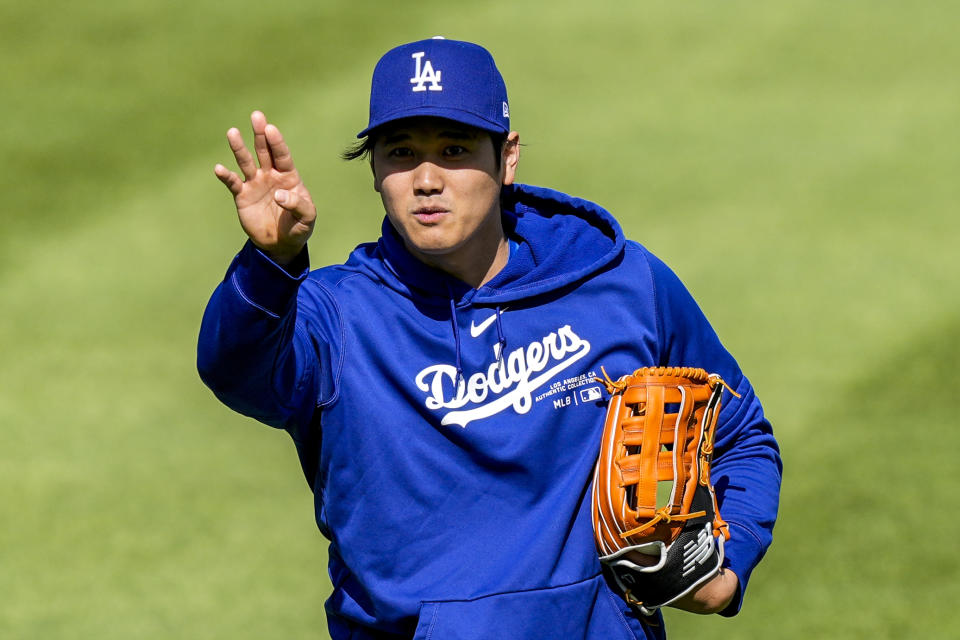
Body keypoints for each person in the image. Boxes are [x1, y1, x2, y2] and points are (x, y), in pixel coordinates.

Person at [198, 37, 781, 640]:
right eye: (401, 153)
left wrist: (727, 567)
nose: (427, 180)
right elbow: (234, 371)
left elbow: (740, 431)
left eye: (454, 150)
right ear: (375, 170)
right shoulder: (335, 317)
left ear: (507, 157)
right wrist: (272, 261)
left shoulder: (620, 284)